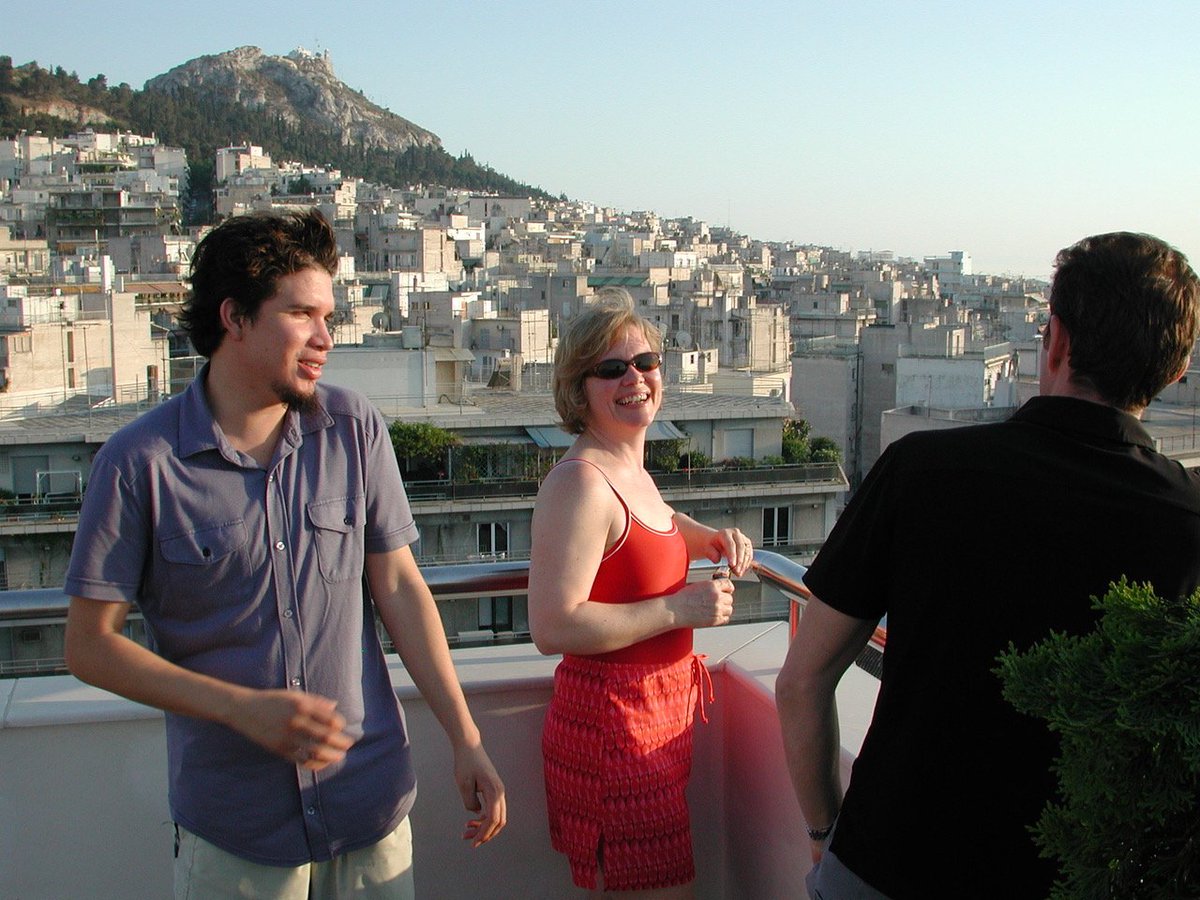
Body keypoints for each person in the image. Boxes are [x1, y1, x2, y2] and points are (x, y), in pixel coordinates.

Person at [63, 209, 505, 899]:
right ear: (235, 317)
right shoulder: (138, 464)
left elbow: (399, 587)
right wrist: (241, 707)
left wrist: (465, 736)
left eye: (328, 316)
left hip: (370, 806)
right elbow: (89, 647)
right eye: (302, 314)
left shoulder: (352, 427)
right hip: (238, 831)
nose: (325, 338)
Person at [776, 232, 1200, 900]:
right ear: (1175, 369)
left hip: (886, 860)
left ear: (1054, 342)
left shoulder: (923, 471)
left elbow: (803, 680)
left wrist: (827, 833)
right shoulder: (1188, 522)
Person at [528, 288, 753, 897]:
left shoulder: (628, 467)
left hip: (653, 718)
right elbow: (553, 626)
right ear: (580, 390)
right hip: (613, 727)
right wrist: (680, 608)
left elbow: (647, 522)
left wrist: (706, 537)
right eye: (612, 368)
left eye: (646, 362)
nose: (636, 378)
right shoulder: (579, 482)